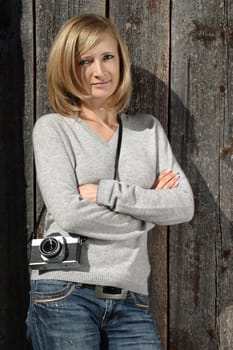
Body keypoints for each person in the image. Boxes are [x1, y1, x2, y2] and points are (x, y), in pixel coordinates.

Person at [26, 14, 194, 350]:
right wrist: (148, 212)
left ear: (120, 60)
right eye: (84, 61)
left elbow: (183, 205)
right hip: (64, 290)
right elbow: (71, 215)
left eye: (107, 57)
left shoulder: (147, 130)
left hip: (131, 299)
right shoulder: (53, 128)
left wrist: (108, 193)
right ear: (67, 68)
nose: (99, 72)